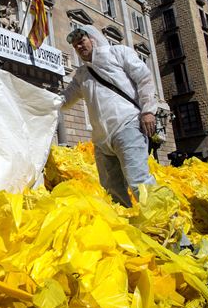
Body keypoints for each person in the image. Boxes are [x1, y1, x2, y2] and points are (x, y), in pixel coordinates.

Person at [62, 25, 157, 207]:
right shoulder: (81, 74)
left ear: (93, 38)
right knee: (112, 190)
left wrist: (148, 110)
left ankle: (171, 232)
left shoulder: (117, 53)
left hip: (127, 127)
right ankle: (127, 229)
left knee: (140, 182)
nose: (79, 47)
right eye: (75, 46)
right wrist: (38, 98)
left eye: (81, 42)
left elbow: (144, 78)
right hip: (101, 141)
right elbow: (66, 99)